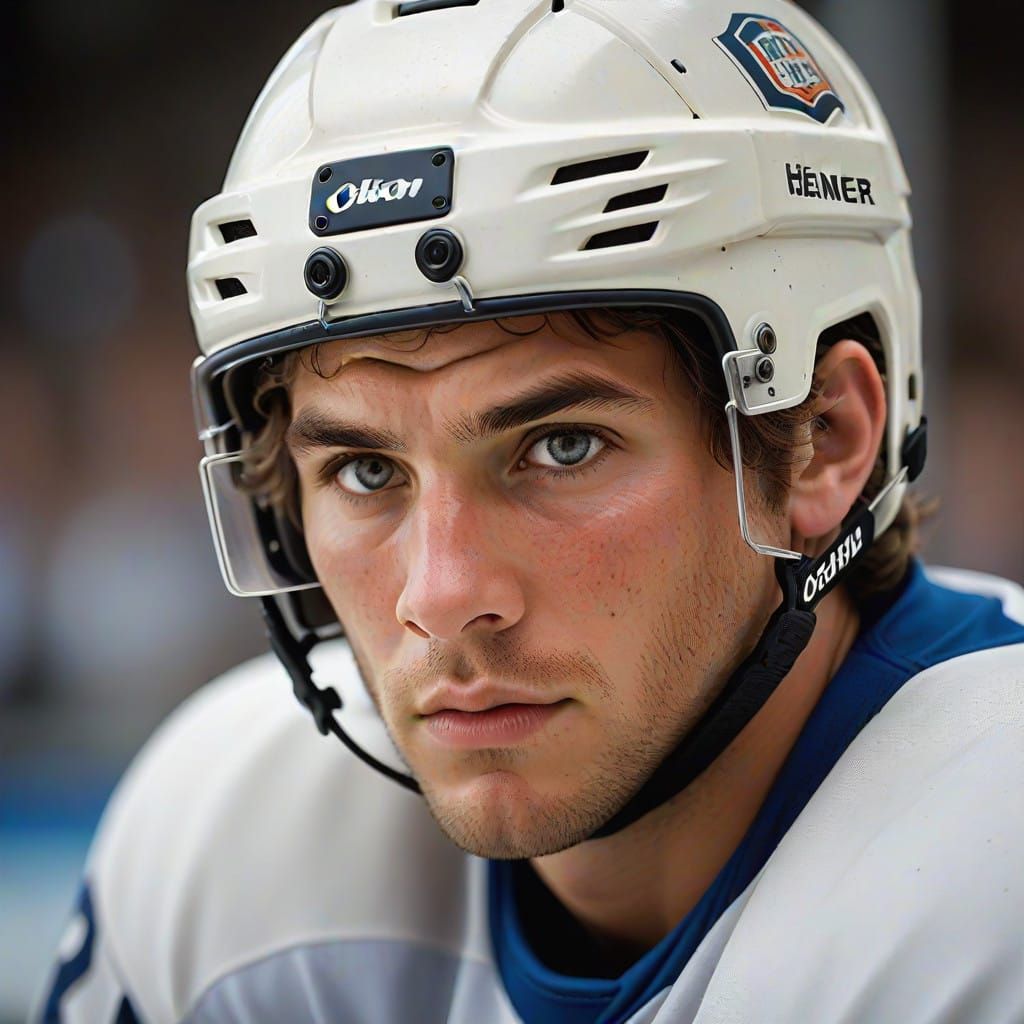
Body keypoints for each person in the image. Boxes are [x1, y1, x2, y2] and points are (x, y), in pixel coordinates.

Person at [38, 2, 1024, 1021]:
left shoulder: (991, 875)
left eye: (560, 448)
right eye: (366, 473)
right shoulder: (225, 838)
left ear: (821, 436)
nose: (443, 597)